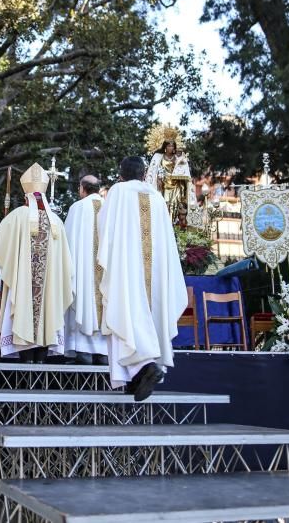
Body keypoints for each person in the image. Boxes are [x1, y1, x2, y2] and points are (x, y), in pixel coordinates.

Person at [98, 156, 188, 401]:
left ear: (121, 174)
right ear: (144, 173)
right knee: (146, 313)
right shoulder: (157, 198)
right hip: (155, 273)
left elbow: (104, 225)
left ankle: (143, 368)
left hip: (126, 269)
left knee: (122, 313)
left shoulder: (117, 191)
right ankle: (137, 377)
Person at [0, 163, 73, 364]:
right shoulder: (56, 221)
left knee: (24, 310)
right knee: (47, 312)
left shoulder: (16, 216)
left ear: (25, 197)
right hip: (49, 287)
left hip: (23, 283)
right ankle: (40, 360)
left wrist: (10, 266)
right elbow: (65, 260)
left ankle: (27, 360)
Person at [63, 174, 108, 365]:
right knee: (105, 306)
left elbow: (67, 244)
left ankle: (83, 352)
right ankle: (104, 353)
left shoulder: (77, 208)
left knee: (83, 303)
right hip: (106, 275)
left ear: (82, 188)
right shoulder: (111, 208)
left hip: (83, 275)